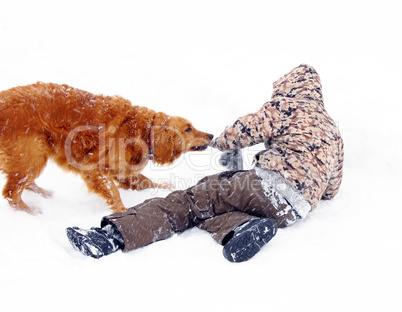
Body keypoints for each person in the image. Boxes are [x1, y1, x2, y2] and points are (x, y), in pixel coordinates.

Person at [66, 64, 344, 263]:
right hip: (294, 209)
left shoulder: (286, 106)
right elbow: (332, 189)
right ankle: (239, 228)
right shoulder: (333, 129)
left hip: (266, 186)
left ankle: (110, 236)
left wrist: (219, 142)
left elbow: (244, 130)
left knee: (189, 202)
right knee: (212, 208)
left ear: (288, 88)